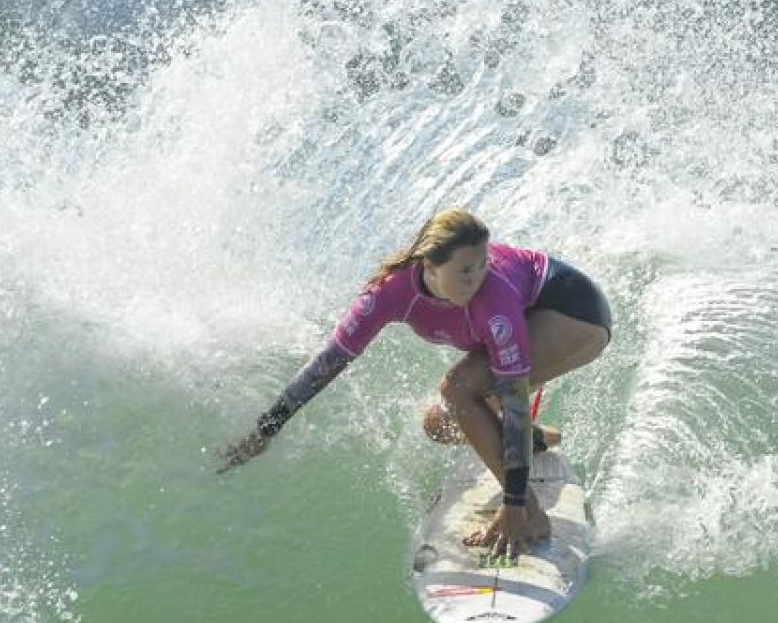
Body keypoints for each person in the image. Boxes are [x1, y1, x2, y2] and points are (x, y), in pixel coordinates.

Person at [220, 208, 612, 561]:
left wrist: (513, 505)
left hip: (576, 316)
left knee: (458, 389)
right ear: (430, 265)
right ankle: (536, 442)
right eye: (464, 271)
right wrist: (267, 428)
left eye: (482, 265)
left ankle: (531, 515)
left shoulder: (495, 300)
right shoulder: (389, 294)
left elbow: (514, 401)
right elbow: (329, 362)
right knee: (437, 423)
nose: (476, 279)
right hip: (543, 318)